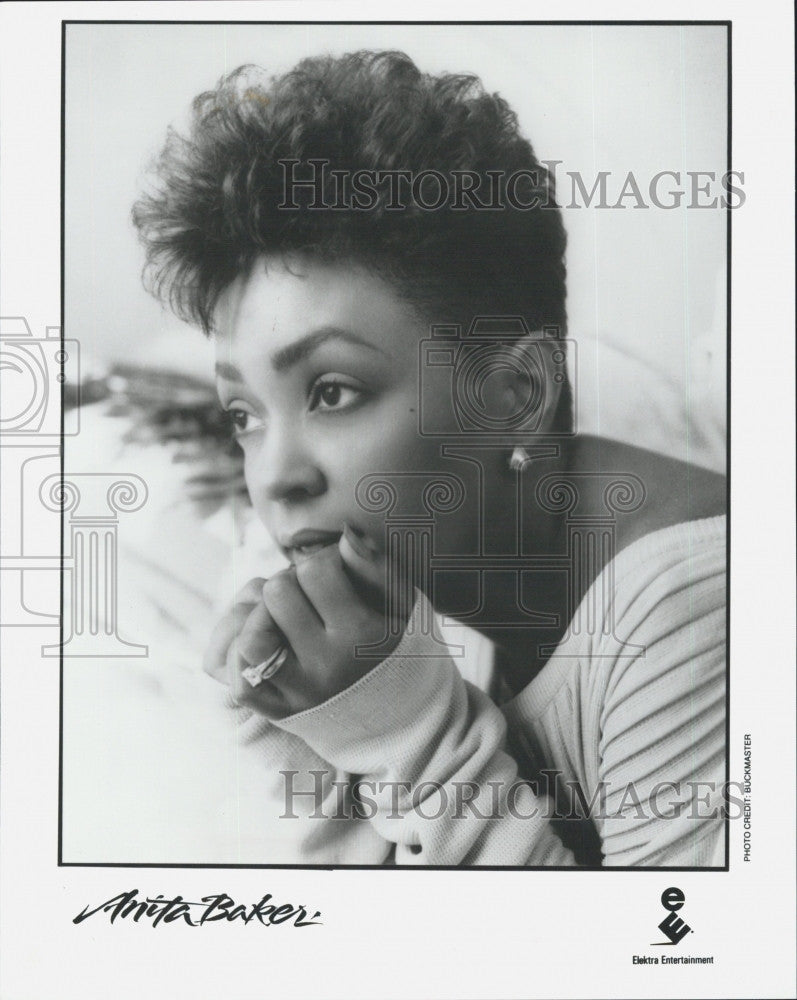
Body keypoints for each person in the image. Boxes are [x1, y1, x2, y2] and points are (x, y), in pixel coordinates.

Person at [132, 50, 727, 866]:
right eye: (245, 413)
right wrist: (316, 734)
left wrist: (406, 730)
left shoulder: (692, 606)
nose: (274, 477)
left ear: (515, 394)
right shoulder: (440, 592)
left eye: (332, 391)